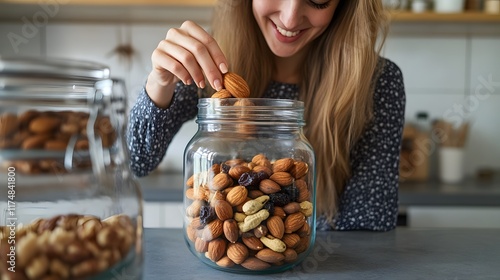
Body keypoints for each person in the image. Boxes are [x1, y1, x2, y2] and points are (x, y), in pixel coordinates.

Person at [127, 0, 406, 231]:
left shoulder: (377, 82)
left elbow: (370, 221)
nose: (290, 17)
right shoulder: (212, 68)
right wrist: (159, 83)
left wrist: (293, 250)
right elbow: (134, 162)